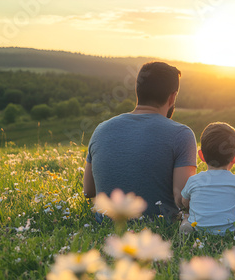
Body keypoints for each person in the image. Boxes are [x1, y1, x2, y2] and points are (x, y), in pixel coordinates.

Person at [83, 62, 197, 222]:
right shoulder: (182, 134)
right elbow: (183, 200)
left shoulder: (101, 129)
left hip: (107, 226)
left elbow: (88, 191)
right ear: (172, 97)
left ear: (138, 92)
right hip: (159, 228)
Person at [181, 122, 235, 235]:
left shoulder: (193, 180)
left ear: (201, 156)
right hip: (228, 231)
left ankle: (186, 224)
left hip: (199, 229)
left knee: (187, 216)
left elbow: (184, 201)